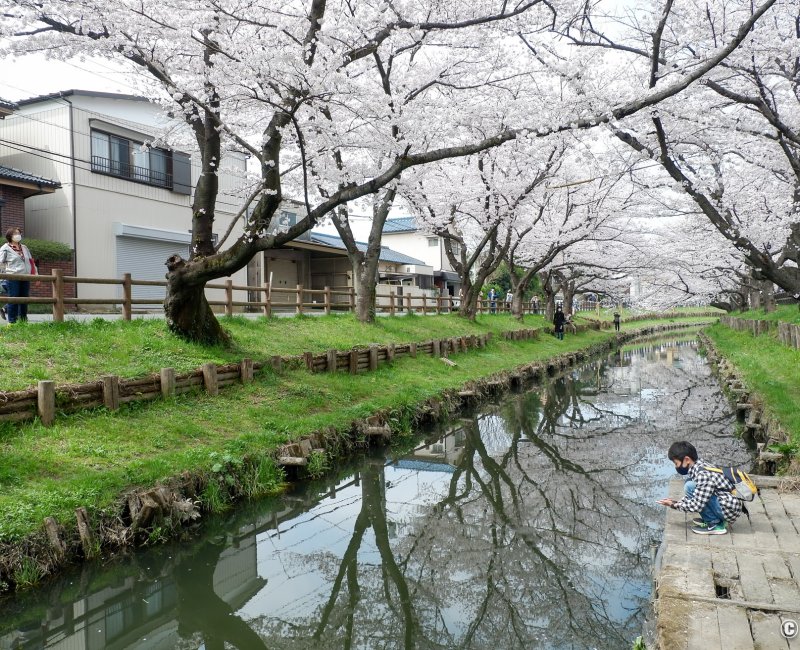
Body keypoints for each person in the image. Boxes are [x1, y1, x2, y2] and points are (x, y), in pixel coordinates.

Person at [657, 441, 742, 535]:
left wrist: (674, 505)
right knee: (690, 485)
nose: (676, 467)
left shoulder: (703, 475)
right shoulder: (701, 465)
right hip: (728, 505)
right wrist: (676, 502)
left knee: (689, 486)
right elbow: (699, 494)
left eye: (676, 463)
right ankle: (712, 519)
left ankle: (715, 524)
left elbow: (696, 505)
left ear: (687, 459)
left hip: (728, 510)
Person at [0, 228, 37, 324]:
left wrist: (35, 275)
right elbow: (1, 264)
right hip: (12, 277)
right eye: (15, 233)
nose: (18, 235)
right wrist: (5, 274)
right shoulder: (5, 248)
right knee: (14, 298)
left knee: (24, 299)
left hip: (26, 277)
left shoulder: (24, 247)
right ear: (10, 236)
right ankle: (12, 322)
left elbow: (31, 262)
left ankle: (23, 321)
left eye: (19, 233)